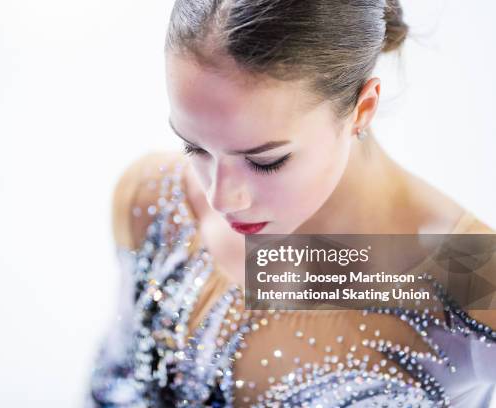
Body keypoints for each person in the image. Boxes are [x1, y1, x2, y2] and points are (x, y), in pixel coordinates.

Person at [87, 0, 496, 406]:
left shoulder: (476, 281)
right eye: (194, 147)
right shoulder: (157, 201)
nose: (221, 197)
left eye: (265, 161)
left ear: (363, 108)